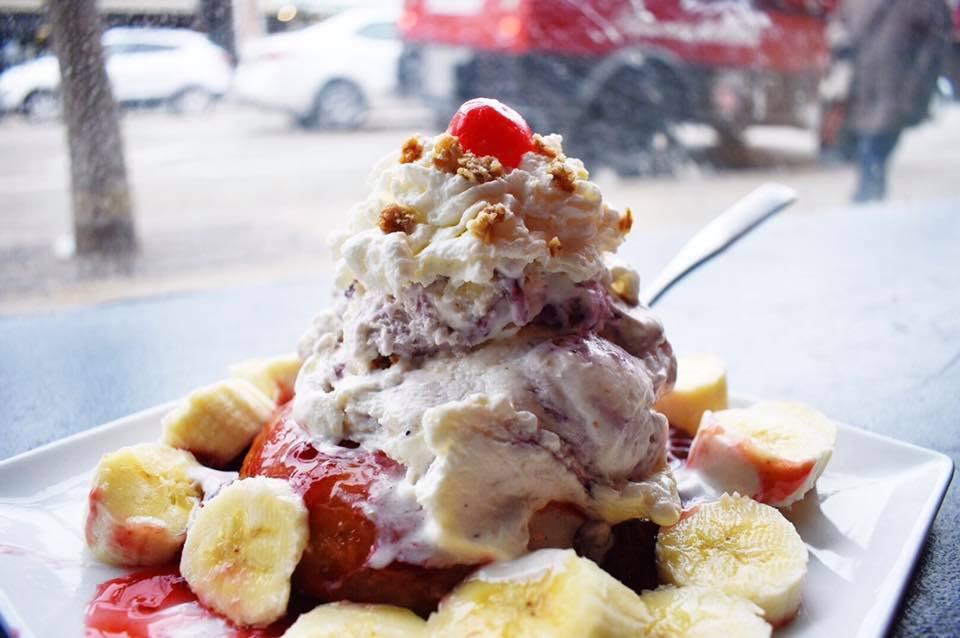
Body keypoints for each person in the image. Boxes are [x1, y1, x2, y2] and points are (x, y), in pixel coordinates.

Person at [831, 0, 952, 203]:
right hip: (869, 79)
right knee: (870, 140)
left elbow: (936, 41)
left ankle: (868, 193)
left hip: (897, 82)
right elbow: (845, 27)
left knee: (876, 141)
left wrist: (918, 82)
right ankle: (869, 192)